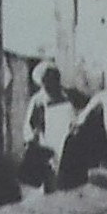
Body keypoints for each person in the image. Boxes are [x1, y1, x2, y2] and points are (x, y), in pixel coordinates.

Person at [20, 61, 78, 193]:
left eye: (54, 79)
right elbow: (29, 125)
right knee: (51, 176)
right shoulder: (38, 100)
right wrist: (32, 139)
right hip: (49, 140)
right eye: (47, 81)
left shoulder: (68, 95)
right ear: (42, 83)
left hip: (66, 139)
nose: (51, 84)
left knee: (67, 177)